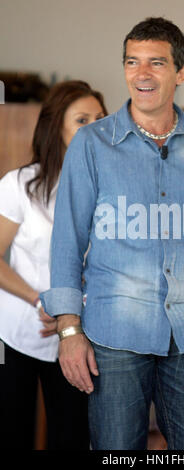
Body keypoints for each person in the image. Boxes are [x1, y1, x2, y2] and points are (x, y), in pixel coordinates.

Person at [40, 17, 184, 451]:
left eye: (156, 62)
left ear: (181, 72)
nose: (141, 74)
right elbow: (67, 243)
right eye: (132, 62)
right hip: (113, 334)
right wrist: (69, 331)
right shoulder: (92, 144)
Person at [0, 80, 107, 450]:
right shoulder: (20, 185)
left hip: (83, 336)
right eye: (82, 119)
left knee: (73, 435)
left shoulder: (112, 189)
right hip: (18, 333)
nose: (94, 127)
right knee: (13, 431)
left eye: (100, 118)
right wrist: (38, 298)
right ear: (56, 127)